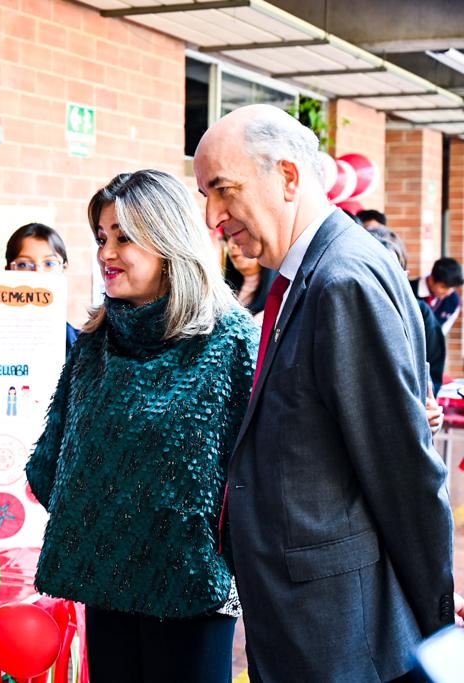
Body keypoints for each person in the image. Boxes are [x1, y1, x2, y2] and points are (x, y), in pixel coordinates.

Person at [194, 103, 462, 682]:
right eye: (205, 196)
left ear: (288, 177)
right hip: (307, 622)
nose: (214, 216)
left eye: (223, 189)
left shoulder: (340, 278)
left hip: (339, 633)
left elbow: (401, 469)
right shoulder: (309, 270)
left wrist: (437, 620)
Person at [26, 170, 257, 682]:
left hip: (192, 592)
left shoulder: (231, 341)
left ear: (170, 241)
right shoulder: (97, 339)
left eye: (124, 238)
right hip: (103, 577)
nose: (107, 253)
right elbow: (54, 458)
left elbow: (263, 469)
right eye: (102, 238)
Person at [367, 226, 446, 396]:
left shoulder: (420, 313)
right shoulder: (350, 314)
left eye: (392, 270)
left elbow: (432, 371)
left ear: (404, 274)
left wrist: (429, 406)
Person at [3, 222, 79, 349]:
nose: (38, 273)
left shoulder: (85, 347)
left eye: (49, 264)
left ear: (64, 268)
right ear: (8, 271)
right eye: (23, 265)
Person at [223, 234, 277, 322]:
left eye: (238, 235)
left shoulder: (275, 306)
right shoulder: (225, 294)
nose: (231, 245)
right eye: (227, 238)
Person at [411, 257, 464, 336]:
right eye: (444, 287)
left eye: (451, 287)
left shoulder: (453, 301)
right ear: (431, 279)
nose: (447, 293)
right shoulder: (409, 290)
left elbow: (440, 335)